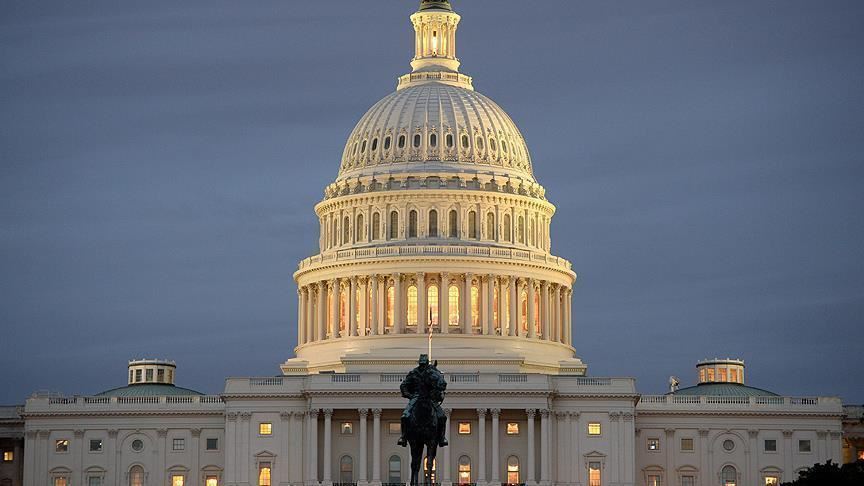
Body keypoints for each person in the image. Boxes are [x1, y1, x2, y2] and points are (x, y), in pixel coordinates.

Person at [398, 354, 448, 447]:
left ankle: (442, 437)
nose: (423, 366)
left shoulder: (431, 372)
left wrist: (437, 393)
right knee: (405, 416)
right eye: (421, 364)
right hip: (416, 397)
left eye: (424, 364)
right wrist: (409, 395)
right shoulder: (413, 373)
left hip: (430, 398)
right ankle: (403, 437)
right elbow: (403, 385)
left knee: (442, 416)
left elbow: (439, 383)